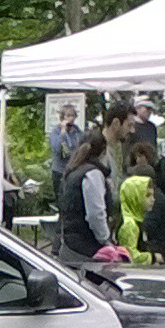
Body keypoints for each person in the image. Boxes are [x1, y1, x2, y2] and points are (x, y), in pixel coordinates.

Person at [58, 130, 118, 264]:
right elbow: (95, 214)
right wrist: (106, 240)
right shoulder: (93, 174)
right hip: (87, 250)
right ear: (103, 151)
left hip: (70, 246)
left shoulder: (72, 171)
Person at [127, 139, 165, 217]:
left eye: (140, 156)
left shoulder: (164, 166)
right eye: (136, 157)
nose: (138, 160)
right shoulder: (138, 173)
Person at [48, 104, 83, 202]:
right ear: (62, 117)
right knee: (62, 199)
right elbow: (58, 150)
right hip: (60, 171)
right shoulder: (56, 132)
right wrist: (63, 132)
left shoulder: (78, 133)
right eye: (67, 116)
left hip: (74, 170)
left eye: (72, 115)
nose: (70, 118)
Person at [99, 100, 134, 183]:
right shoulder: (98, 149)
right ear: (116, 123)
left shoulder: (118, 147)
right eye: (129, 125)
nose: (132, 130)